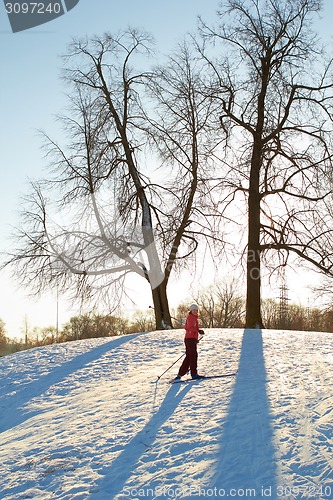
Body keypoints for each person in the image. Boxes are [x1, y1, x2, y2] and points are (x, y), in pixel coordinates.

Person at [175, 304, 204, 380]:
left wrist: (196, 337)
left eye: (196, 310)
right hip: (190, 339)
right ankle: (194, 374)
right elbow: (189, 328)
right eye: (194, 310)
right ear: (191, 310)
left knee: (189, 356)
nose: (195, 311)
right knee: (193, 356)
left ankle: (180, 373)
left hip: (190, 339)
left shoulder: (194, 318)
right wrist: (198, 330)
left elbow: (191, 328)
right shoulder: (191, 317)